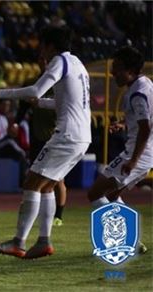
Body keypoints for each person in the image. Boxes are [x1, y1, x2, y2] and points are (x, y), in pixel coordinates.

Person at [0, 25, 91, 259]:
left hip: (66, 135)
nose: (41, 49)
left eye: (43, 44)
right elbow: (68, 103)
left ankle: (18, 242)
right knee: (48, 186)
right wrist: (40, 104)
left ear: (51, 45)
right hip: (83, 137)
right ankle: (43, 241)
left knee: (31, 181)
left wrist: (0, 93)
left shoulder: (59, 61)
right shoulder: (79, 65)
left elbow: (36, 90)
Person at [87, 46, 152, 254]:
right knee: (113, 196)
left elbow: (145, 128)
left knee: (95, 192)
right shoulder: (144, 83)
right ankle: (133, 241)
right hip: (143, 152)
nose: (112, 73)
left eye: (117, 68)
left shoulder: (138, 93)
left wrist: (133, 160)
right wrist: (125, 122)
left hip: (138, 153)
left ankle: (126, 239)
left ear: (130, 70)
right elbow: (145, 117)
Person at [15, 56, 68, 226]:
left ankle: (58, 216)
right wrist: (16, 122)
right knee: (35, 175)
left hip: (54, 135)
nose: (44, 63)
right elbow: (23, 106)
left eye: (48, 61)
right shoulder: (32, 82)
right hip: (36, 135)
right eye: (42, 60)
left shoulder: (59, 83)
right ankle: (38, 212)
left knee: (57, 179)